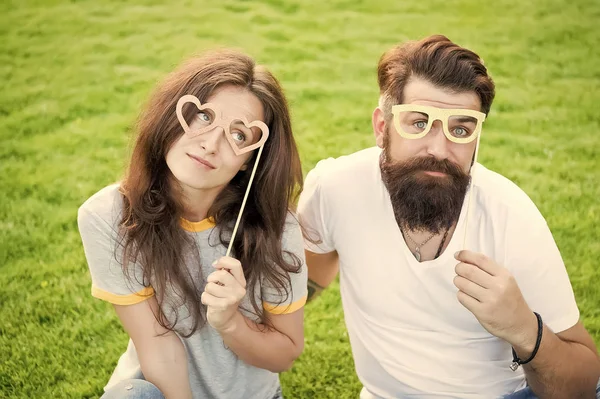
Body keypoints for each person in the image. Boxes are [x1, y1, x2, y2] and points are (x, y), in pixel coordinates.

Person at [298, 35, 600, 399]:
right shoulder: (335, 189)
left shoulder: (511, 217)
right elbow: (306, 276)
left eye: (460, 129)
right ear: (382, 127)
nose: (439, 149)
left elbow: (583, 382)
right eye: (419, 122)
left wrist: (523, 327)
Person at [77, 49, 307, 399]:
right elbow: (157, 342)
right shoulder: (109, 215)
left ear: (249, 161)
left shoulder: (278, 227)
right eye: (202, 116)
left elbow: (285, 354)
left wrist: (231, 322)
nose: (210, 144)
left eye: (240, 135)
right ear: (173, 114)